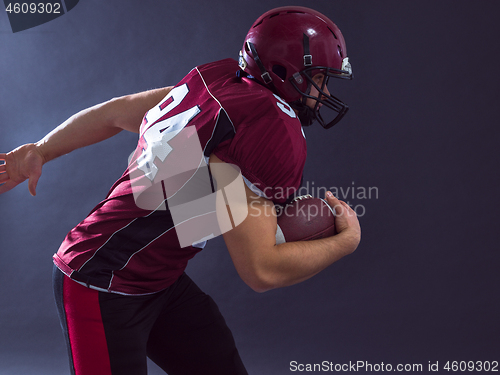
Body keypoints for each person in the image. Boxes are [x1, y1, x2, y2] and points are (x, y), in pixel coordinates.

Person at [0, 6, 361, 375]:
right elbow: (261, 271)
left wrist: (42, 149)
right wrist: (345, 241)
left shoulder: (219, 83)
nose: (326, 90)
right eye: (320, 77)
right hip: (99, 282)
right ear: (288, 72)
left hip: (158, 280)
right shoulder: (263, 128)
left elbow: (113, 113)